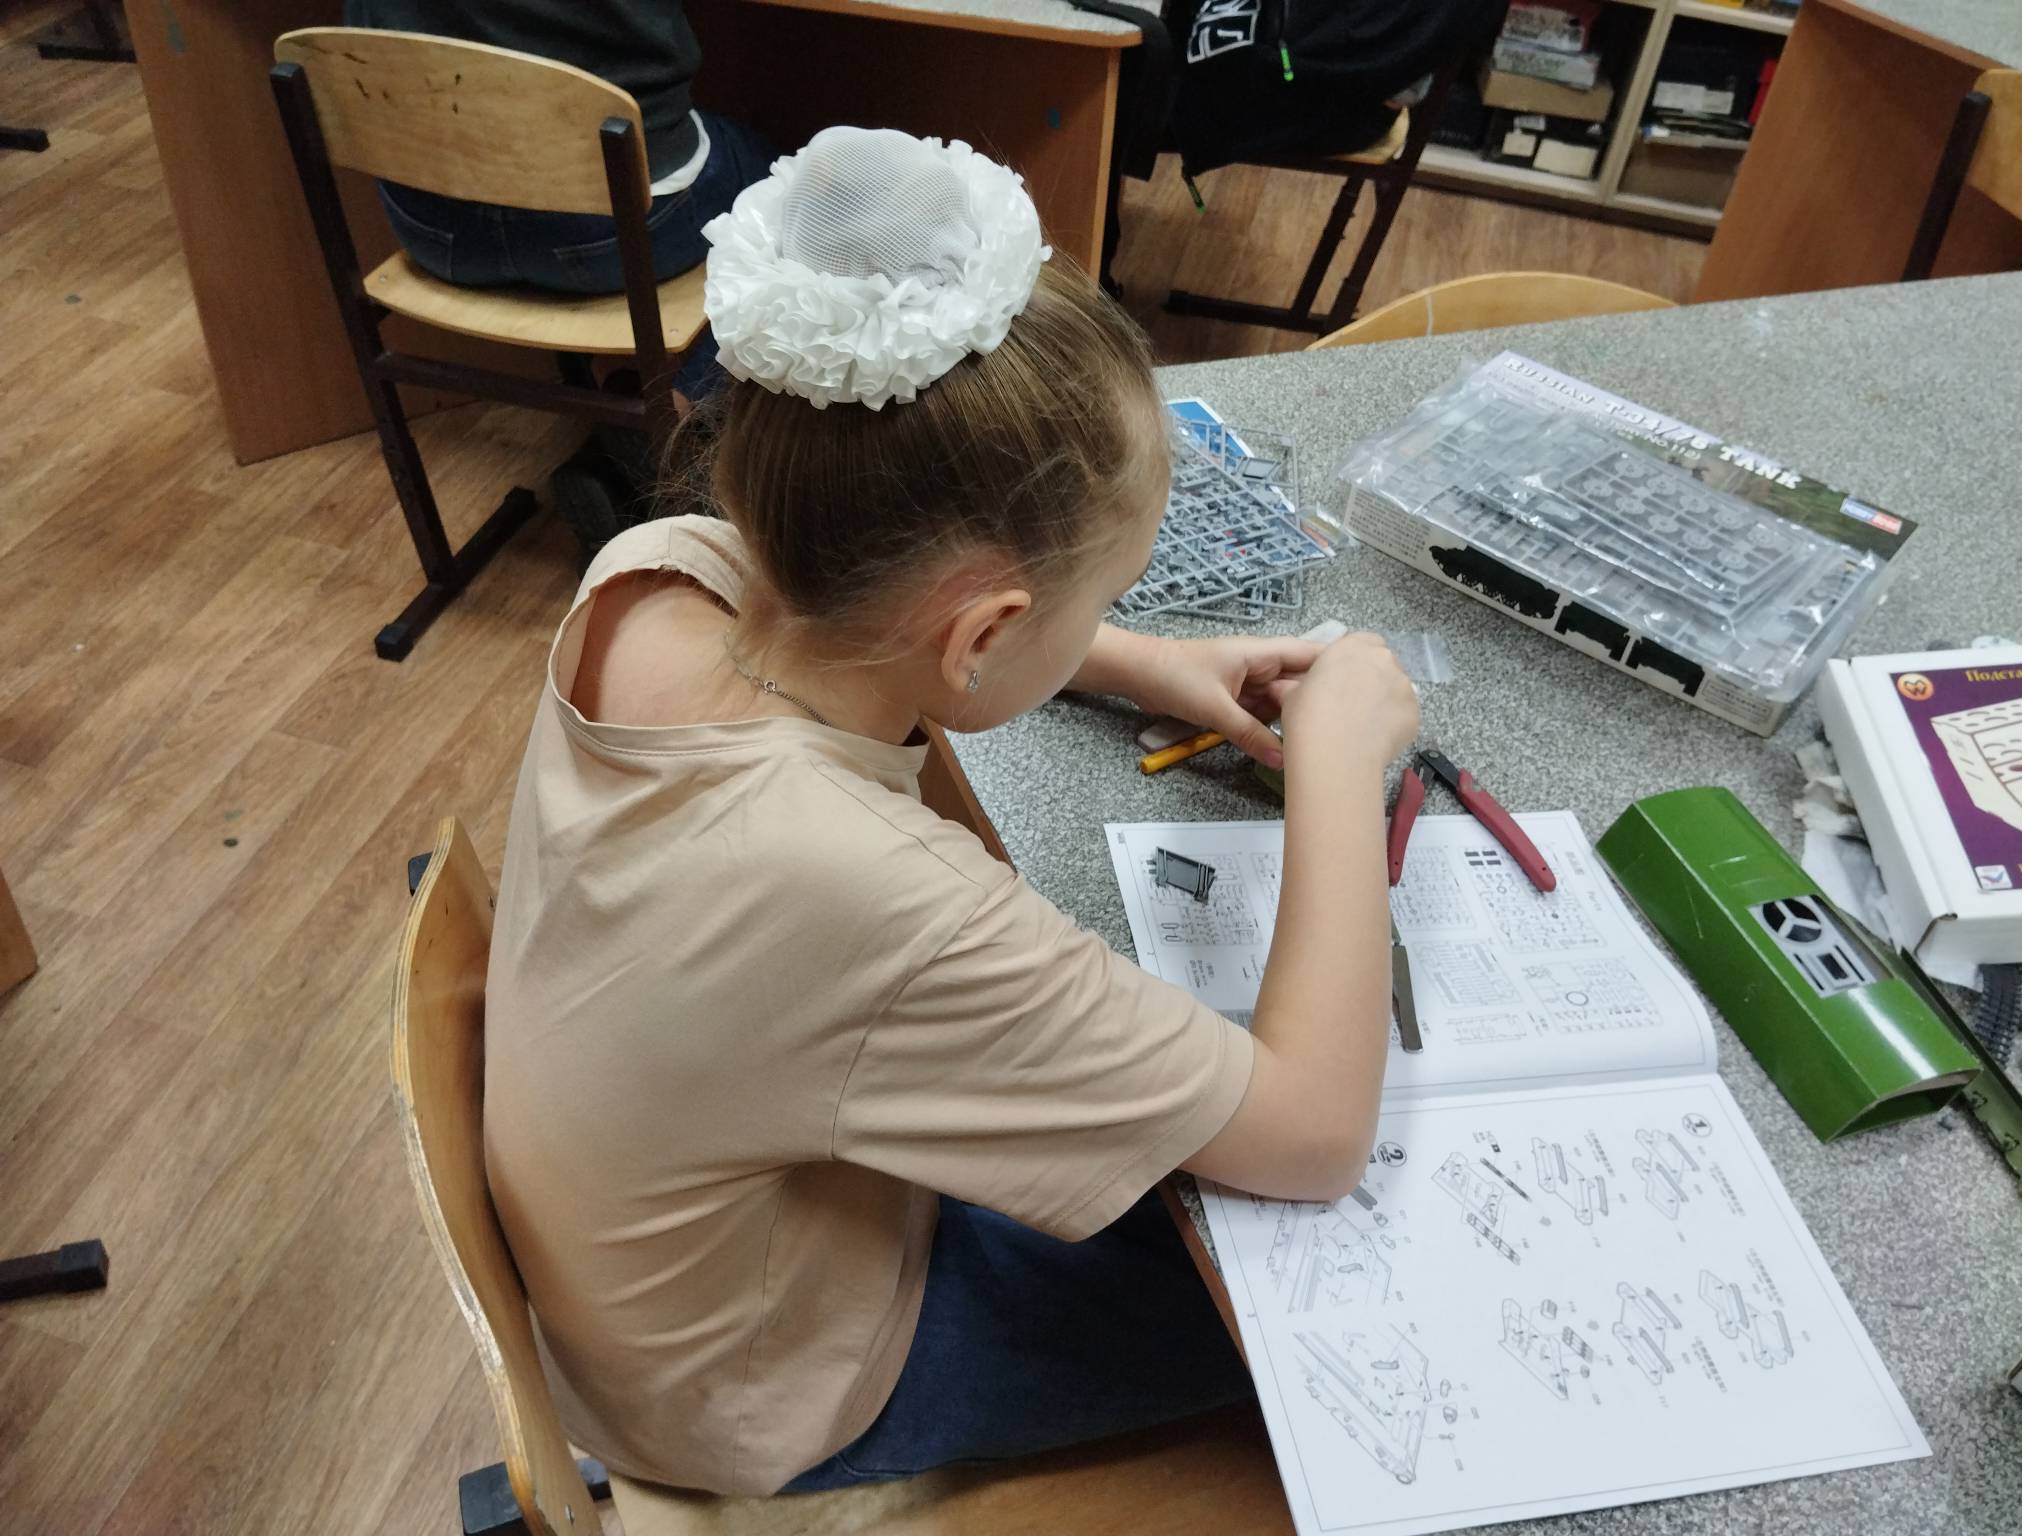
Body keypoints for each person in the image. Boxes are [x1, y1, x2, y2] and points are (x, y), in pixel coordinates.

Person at [483, 126, 1420, 1498]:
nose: (1104, 626)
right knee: (1296, 1300)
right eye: (1102, 602)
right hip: (765, 1383)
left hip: (654, 1280)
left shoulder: (656, 571)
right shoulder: (876, 892)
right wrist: (1336, 768)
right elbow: (1316, 1133)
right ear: (982, 634)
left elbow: (880, 607)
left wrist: (1141, 658)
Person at [341, 0, 775, 404]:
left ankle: (616, 382)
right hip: (620, 237)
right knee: (785, 183)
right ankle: (677, 408)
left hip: (434, 228)